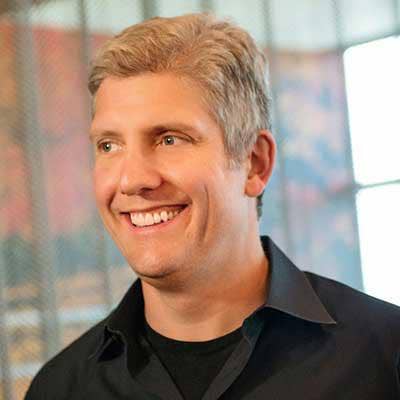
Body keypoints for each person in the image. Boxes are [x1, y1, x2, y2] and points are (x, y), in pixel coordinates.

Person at [25, 13, 400, 400]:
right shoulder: (59, 389)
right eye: (109, 145)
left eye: (169, 139)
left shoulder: (385, 357)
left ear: (254, 162)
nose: (132, 179)